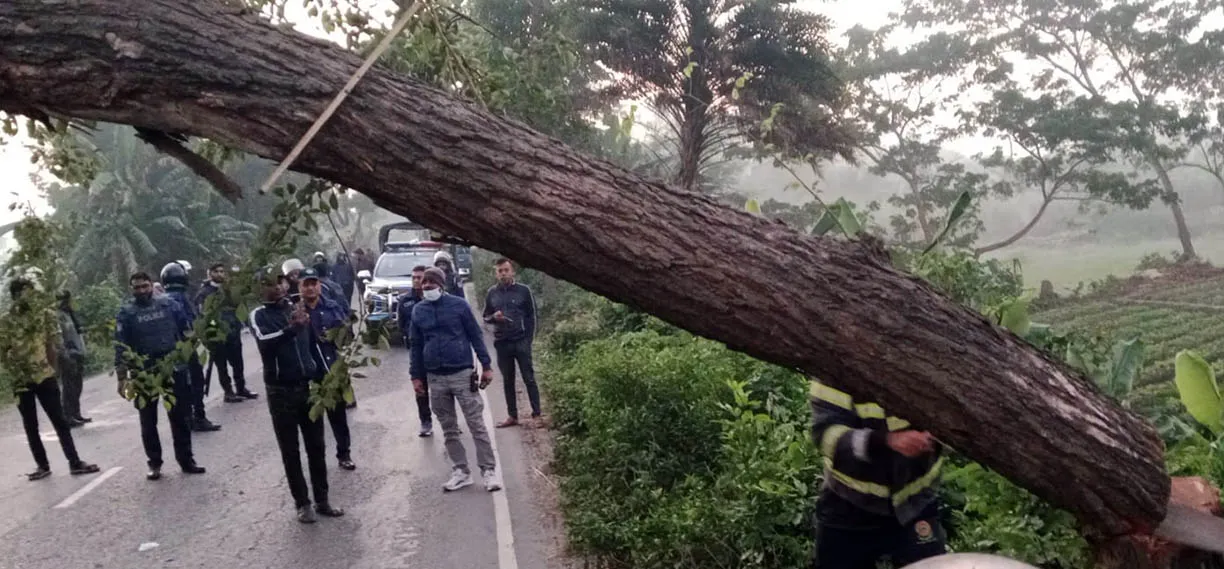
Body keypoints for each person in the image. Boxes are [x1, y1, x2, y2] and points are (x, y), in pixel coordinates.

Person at [809, 380, 946, 569]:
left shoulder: (930, 362)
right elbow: (826, 437)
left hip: (915, 502)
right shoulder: (832, 367)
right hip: (848, 504)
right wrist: (885, 442)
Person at [249, 267, 346, 523]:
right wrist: (291, 329)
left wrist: (325, 378)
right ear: (261, 289)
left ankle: (322, 500)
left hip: (308, 388)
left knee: (317, 447)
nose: (278, 287)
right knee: (290, 451)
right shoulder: (258, 315)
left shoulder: (296, 307)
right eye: (270, 284)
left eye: (280, 282)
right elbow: (265, 344)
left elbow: (314, 344)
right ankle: (302, 503)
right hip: (280, 391)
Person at [410, 268, 501, 492]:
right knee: (448, 428)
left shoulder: (459, 306)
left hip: (461, 373)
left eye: (431, 283)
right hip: (435, 377)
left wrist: (486, 365)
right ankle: (461, 471)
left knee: (476, 424)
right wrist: (416, 376)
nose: (427, 286)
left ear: (441, 285)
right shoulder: (418, 311)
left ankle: (488, 471)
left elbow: (475, 336)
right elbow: (415, 345)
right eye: (424, 283)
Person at [2, 278, 101, 481]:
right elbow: (3, 351)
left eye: (32, 292)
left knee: (60, 421)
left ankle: (75, 462)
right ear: (15, 296)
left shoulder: (44, 315)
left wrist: (51, 368)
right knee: (30, 425)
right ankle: (42, 465)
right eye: (25, 293)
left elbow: (53, 343)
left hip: (45, 375)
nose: (30, 297)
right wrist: (14, 369)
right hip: (21, 380)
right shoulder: (6, 321)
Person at [115, 272, 207, 480]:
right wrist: (122, 378)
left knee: (180, 418)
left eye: (144, 286)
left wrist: (197, 352)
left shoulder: (169, 305)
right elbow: (120, 347)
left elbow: (186, 331)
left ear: (151, 285)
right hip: (144, 373)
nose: (141, 291)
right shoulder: (126, 313)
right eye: (136, 287)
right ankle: (154, 463)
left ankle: (186, 460)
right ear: (131, 289)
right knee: (148, 422)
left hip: (173, 368)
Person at [298, 268, 356, 471]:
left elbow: (345, 334)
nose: (311, 288)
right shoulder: (295, 312)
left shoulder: (332, 307)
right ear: (300, 287)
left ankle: (344, 454)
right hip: (308, 375)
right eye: (306, 284)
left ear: (319, 286)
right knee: (313, 420)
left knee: (338, 415)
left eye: (313, 283)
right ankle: (316, 459)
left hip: (332, 370)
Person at [160, 262, 221, 432]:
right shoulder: (180, 298)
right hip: (189, 346)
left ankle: (188, 418)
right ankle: (199, 417)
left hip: (173, 350)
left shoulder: (162, 300)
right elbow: (191, 323)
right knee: (196, 382)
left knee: (184, 386)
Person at [482, 258, 541, 427]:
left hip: (521, 340)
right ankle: (512, 416)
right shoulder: (492, 293)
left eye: (506, 270)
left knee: (529, 378)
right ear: (496, 273)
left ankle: (537, 414)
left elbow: (532, 316)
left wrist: (529, 339)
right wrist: (494, 317)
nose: (503, 273)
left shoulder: (524, 291)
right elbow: (486, 316)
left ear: (512, 271)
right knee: (508, 380)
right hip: (502, 343)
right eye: (500, 271)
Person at [195, 263, 258, 403]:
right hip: (217, 335)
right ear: (210, 273)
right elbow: (203, 316)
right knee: (221, 366)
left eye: (222, 271)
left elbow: (239, 306)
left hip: (233, 330)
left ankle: (241, 388)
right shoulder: (204, 293)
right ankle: (228, 392)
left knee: (238, 363)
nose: (220, 274)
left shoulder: (229, 290)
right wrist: (213, 331)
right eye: (216, 271)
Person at [396, 265, 431, 437]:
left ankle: (449, 421)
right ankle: (425, 422)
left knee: (444, 388)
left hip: (436, 348)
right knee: (420, 387)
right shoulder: (405, 301)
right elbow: (401, 325)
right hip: (417, 351)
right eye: (414, 277)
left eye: (420, 277)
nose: (417, 280)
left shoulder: (433, 298)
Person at [56, 290, 91, 427]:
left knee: (77, 386)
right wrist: (65, 355)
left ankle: (76, 413)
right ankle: (68, 416)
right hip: (68, 356)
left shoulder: (70, 314)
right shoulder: (58, 317)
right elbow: (59, 339)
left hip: (78, 353)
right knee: (69, 387)